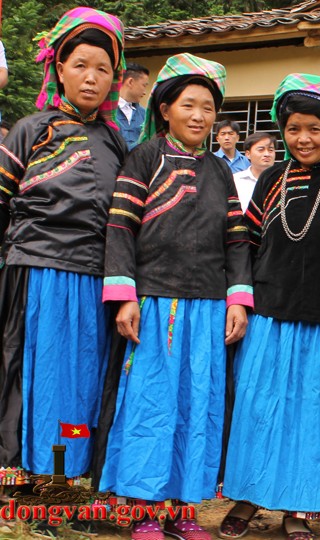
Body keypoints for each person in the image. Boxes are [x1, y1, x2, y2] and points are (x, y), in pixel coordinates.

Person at [219, 73, 320, 540]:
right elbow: (246, 243)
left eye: (314, 128)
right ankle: (247, 498)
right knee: (258, 408)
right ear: (282, 132)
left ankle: (298, 507)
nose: (303, 138)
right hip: (269, 317)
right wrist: (242, 302)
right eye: (293, 129)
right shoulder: (270, 179)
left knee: (312, 414)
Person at [97, 53, 252, 540]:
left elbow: (236, 240)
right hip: (156, 304)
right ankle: (145, 509)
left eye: (208, 107)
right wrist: (124, 296)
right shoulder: (143, 158)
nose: (200, 116)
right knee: (151, 405)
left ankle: (183, 509)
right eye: (189, 105)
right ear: (164, 108)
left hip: (207, 306)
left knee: (197, 406)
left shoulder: (221, 171)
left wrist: (237, 300)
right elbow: (120, 229)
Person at [0, 7, 126, 537]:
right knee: (37, 379)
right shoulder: (29, 131)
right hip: (38, 273)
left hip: (96, 278)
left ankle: (66, 486)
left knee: (80, 384)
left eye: (102, 68)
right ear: (58, 68)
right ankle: (26, 489)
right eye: (80, 65)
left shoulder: (120, 142)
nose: (91, 77)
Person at [232, 131, 276, 210]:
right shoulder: (235, 180)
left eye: (271, 150)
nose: (267, 154)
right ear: (248, 154)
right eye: (261, 150)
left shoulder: (282, 180)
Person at [116, 62, 150, 150]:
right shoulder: (106, 113)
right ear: (130, 82)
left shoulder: (146, 115)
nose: (145, 92)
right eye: (144, 85)